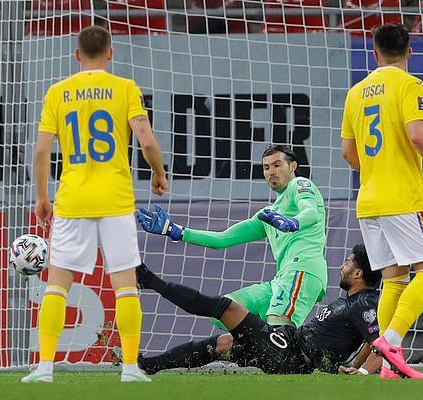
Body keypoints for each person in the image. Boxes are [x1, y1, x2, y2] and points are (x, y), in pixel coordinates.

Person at [22, 25, 168, 383]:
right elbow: (147, 140)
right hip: (116, 199)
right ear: (110, 53)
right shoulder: (125, 88)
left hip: (73, 200)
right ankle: (130, 368)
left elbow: (41, 151)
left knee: (57, 284)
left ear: (77, 55)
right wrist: (158, 172)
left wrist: (41, 196)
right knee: (125, 285)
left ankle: (44, 368)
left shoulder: (58, 92)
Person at [340, 23, 423, 379]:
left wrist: (377, 167)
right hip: (403, 198)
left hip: (369, 201)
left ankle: (385, 367)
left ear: (374, 53)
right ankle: (391, 342)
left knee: (394, 279)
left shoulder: (356, 93)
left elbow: (348, 153)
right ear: (409, 52)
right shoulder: (409, 84)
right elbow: (416, 134)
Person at [138, 145, 327, 337]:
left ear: (293, 166)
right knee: (223, 311)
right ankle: (262, 343)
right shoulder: (268, 214)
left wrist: (291, 223)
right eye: (266, 167)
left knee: (277, 337)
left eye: (277, 165)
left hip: (302, 269)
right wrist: (175, 230)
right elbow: (222, 239)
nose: (271, 171)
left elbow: (311, 212)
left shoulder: (300, 184)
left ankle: (288, 346)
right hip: (281, 279)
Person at [131, 244, 386, 376]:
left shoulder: (364, 304)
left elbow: (380, 344)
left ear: (358, 273)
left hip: (289, 356)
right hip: (290, 344)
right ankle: (148, 365)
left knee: (226, 308)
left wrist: (362, 372)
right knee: (220, 345)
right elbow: (370, 340)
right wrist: (354, 366)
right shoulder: (352, 301)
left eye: (347, 263)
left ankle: (150, 281)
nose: (341, 267)